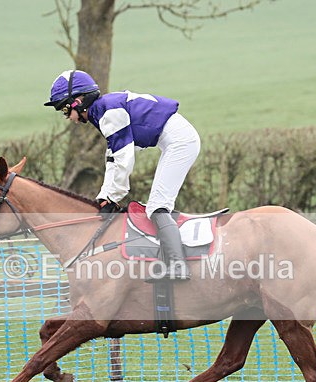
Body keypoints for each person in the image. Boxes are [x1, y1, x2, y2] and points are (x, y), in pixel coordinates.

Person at [44, 70, 200, 281]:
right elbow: (112, 159)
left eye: (65, 110)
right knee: (157, 205)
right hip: (175, 141)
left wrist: (113, 196)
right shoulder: (102, 111)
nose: (68, 118)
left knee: (157, 206)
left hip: (181, 142)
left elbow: (124, 159)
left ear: (78, 102)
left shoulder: (109, 112)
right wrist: (105, 196)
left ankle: (177, 266)